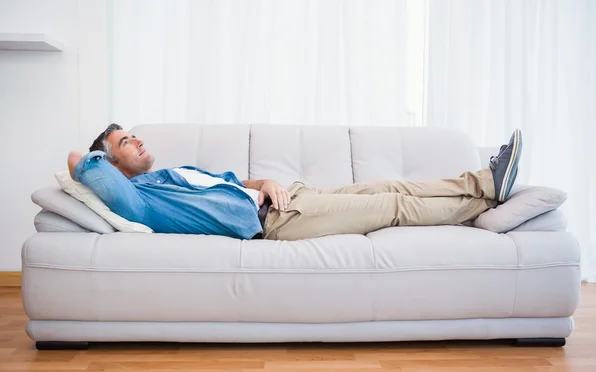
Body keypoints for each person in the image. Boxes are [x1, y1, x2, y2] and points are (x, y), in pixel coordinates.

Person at [68, 124, 522, 241]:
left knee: (392, 187)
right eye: (126, 141)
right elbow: (79, 163)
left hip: (290, 196)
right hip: (277, 221)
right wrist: (97, 157)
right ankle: (482, 205)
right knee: (392, 208)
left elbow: (236, 181)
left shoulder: (172, 172)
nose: (139, 140)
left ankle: (485, 179)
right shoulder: (140, 199)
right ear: (113, 165)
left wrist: (265, 180)